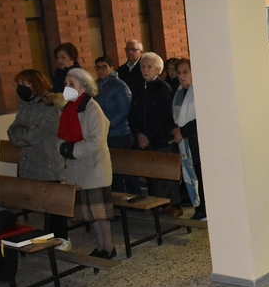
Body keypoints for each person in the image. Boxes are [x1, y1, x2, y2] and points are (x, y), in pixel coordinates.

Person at [56, 68, 116, 258]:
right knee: (89, 215)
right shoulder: (68, 109)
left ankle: (108, 247)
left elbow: (96, 140)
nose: (67, 87)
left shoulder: (92, 108)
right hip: (77, 169)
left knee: (100, 214)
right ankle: (99, 246)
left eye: (71, 84)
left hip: (94, 167)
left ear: (83, 87)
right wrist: (62, 148)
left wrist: (72, 150)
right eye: (66, 84)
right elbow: (60, 135)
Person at [7, 69, 69, 246]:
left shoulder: (48, 108)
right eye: (19, 84)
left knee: (54, 206)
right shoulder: (24, 105)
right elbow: (12, 131)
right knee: (42, 205)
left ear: (36, 85)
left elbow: (32, 136)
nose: (21, 88)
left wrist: (21, 134)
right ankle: (48, 237)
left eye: (25, 84)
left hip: (48, 163)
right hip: (30, 162)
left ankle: (63, 238)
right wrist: (21, 134)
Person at [129, 52, 184, 216]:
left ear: (158, 70)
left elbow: (163, 116)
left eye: (149, 67)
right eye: (143, 67)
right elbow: (132, 114)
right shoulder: (138, 88)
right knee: (154, 174)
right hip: (144, 139)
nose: (145, 70)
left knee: (167, 173)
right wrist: (139, 134)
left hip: (161, 137)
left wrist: (149, 136)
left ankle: (176, 205)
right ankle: (160, 204)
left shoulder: (163, 89)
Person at [94, 56, 140, 195]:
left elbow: (124, 110)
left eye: (104, 67)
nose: (100, 70)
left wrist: (107, 125)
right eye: (98, 67)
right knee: (113, 173)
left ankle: (135, 197)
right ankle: (119, 201)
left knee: (128, 170)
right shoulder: (95, 86)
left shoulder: (119, 86)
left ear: (111, 68)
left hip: (120, 134)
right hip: (103, 134)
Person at [172, 59, 207, 221]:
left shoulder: (199, 91)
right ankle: (199, 208)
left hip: (197, 141)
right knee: (193, 174)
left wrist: (183, 131)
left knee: (201, 175)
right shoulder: (178, 92)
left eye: (185, 72)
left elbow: (202, 116)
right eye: (179, 73)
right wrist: (175, 130)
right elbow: (173, 117)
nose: (181, 76)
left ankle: (205, 209)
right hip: (184, 142)